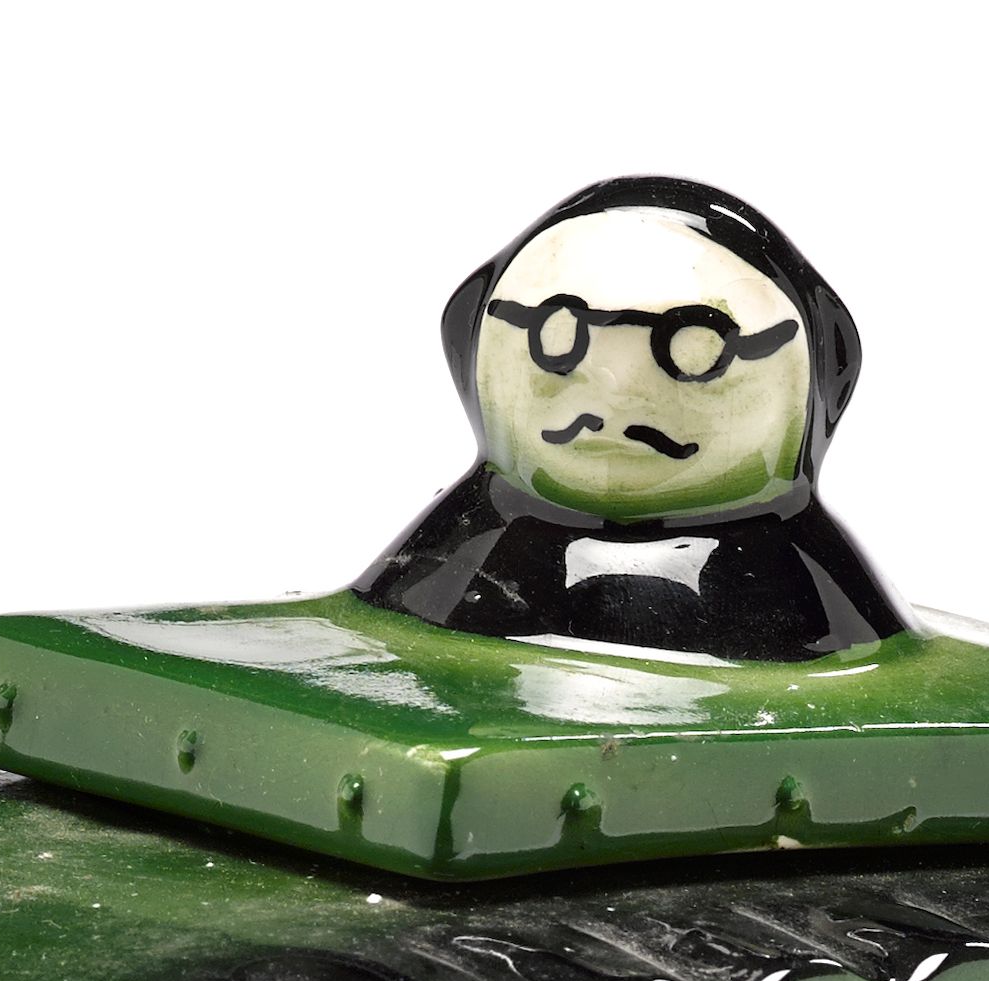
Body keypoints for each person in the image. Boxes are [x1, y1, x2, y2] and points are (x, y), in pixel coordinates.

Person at [355, 177, 907, 664]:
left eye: (694, 349)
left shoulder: (806, 591)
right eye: (558, 337)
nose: (614, 392)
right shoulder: (456, 557)